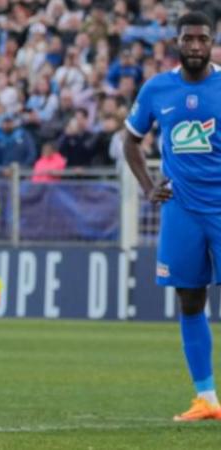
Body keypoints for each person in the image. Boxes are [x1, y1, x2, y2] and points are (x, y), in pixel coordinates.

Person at [124, 11, 221, 421]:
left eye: (202, 38)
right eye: (188, 39)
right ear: (177, 42)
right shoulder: (157, 88)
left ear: (212, 41)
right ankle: (207, 398)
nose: (195, 45)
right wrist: (148, 187)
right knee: (189, 298)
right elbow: (130, 141)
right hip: (181, 210)